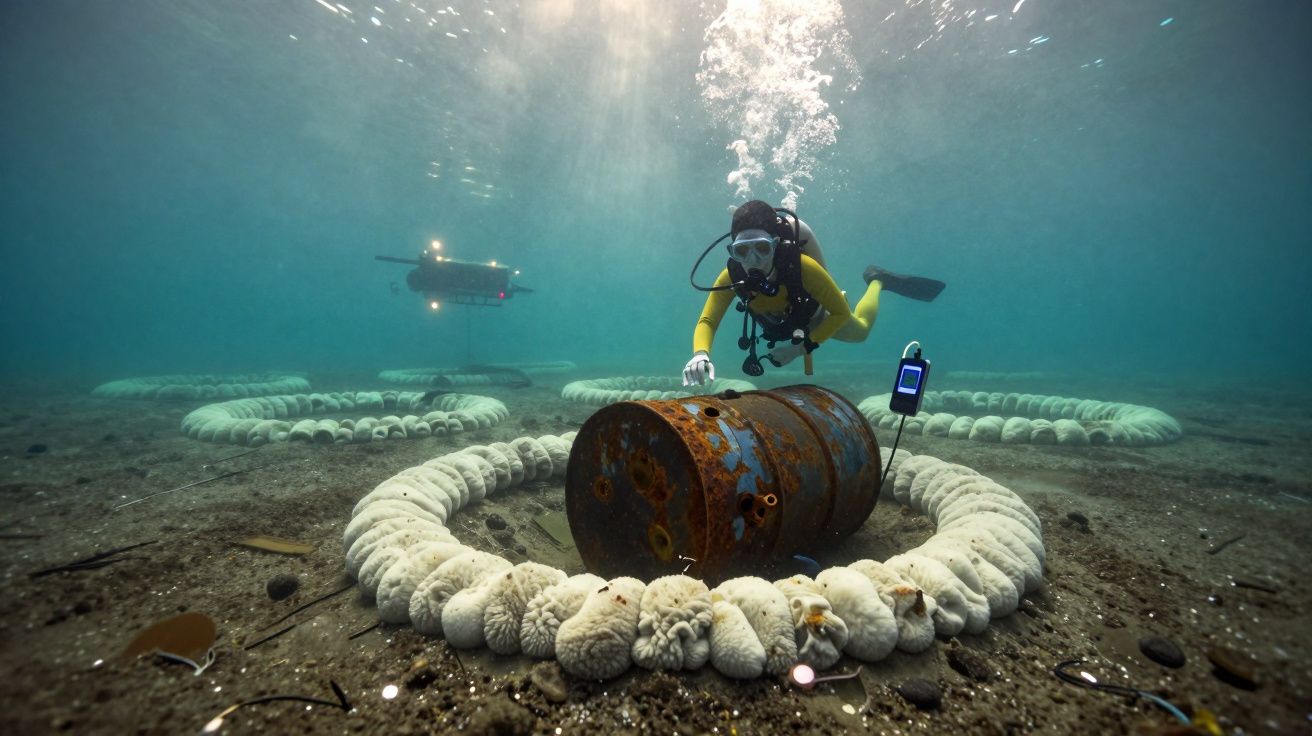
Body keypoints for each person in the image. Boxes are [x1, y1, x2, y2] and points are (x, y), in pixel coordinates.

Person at [683, 200, 944, 386]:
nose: (752, 260)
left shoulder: (802, 267)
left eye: (762, 248)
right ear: (732, 251)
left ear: (776, 245)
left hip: (818, 316)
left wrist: (799, 350)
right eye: (742, 251)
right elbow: (708, 320)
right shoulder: (732, 276)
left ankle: (877, 281)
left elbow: (840, 313)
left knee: (861, 331)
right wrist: (700, 354)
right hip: (781, 324)